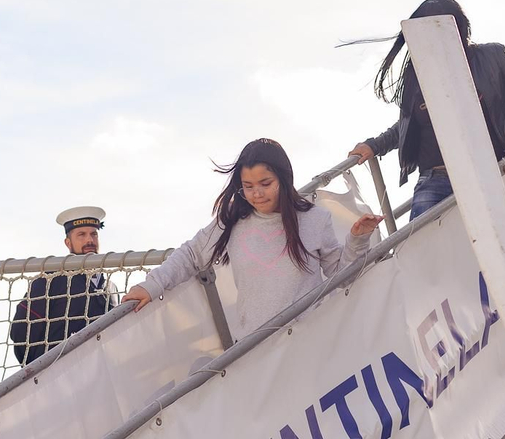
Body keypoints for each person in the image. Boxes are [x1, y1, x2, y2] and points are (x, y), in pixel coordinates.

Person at [125, 139, 381, 341]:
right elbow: (191, 255)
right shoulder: (232, 221)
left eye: (265, 183)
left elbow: (342, 276)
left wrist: (358, 239)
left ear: (283, 178)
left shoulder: (316, 219)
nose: (256, 193)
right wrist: (152, 285)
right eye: (247, 186)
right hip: (257, 351)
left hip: (311, 343)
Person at [347, 0, 505, 220]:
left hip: (495, 172)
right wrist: (374, 145)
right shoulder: (417, 73)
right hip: (437, 178)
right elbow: (408, 123)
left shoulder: (493, 58)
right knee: (422, 247)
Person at [9, 206, 117, 366]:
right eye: (81, 234)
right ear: (68, 243)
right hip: (59, 373)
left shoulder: (111, 287)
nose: (90, 240)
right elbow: (21, 332)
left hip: (101, 371)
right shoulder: (51, 279)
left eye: (94, 234)